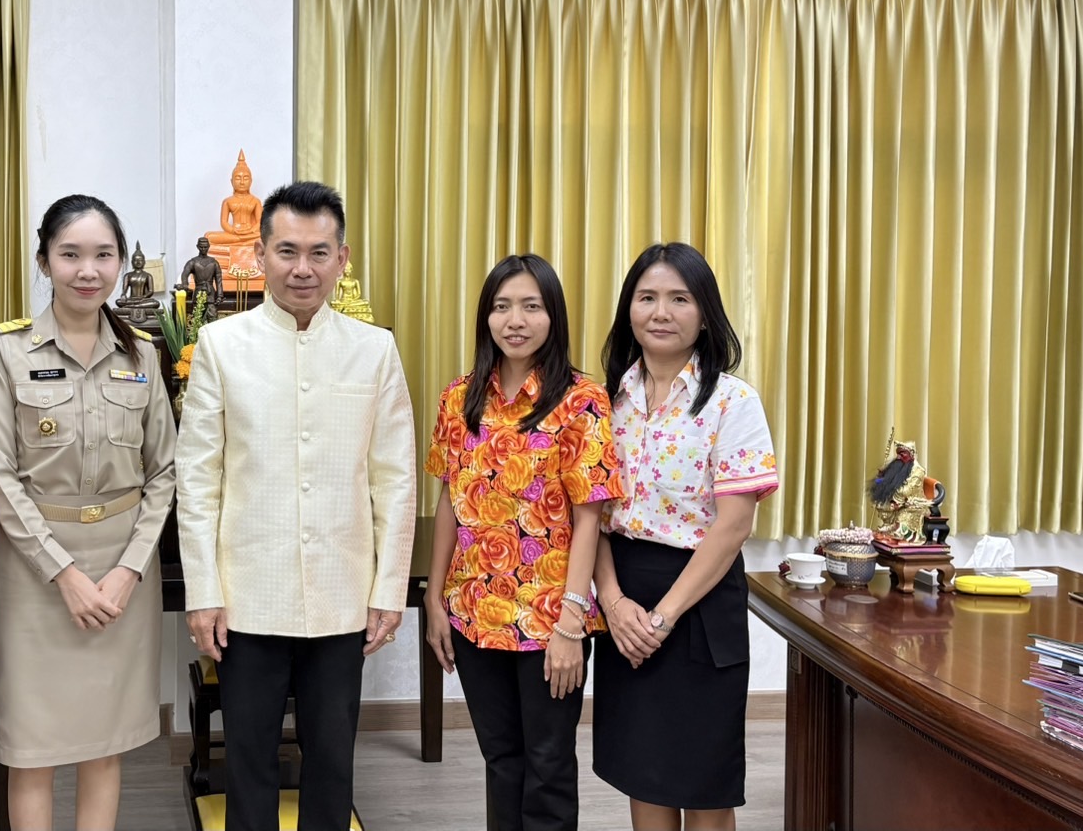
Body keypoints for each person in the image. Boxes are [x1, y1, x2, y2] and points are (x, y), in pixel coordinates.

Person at [177, 180, 417, 831]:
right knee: (248, 759)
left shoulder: (375, 350)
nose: (302, 268)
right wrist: (203, 591)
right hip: (246, 596)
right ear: (260, 255)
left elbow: (395, 478)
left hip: (342, 594)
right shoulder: (223, 347)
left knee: (333, 758)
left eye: (319, 252)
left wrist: (388, 589)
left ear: (343, 259)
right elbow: (198, 481)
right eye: (287, 251)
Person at [0, 194, 178, 831]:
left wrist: (128, 572)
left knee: (104, 744)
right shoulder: (5, 350)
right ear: (45, 261)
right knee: (32, 749)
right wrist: (63, 573)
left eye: (102, 255)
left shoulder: (142, 353)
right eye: (70, 255)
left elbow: (164, 472)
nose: (87, 270)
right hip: (36, 573)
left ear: (120, 263)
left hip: (122, 568)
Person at [423, 254, 622, 831]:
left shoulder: (582, 401)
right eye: (502, 306)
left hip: (548, 621)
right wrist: (435, 601)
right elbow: (448, 505)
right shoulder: (459, 400)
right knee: (501, 760)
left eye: (531, 306)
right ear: (486, 317)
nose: (516, 319)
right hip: (473, 611)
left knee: (549, 762)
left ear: (552, 315)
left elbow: (590, 520)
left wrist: (569, 626)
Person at [590, 243, 780, 831]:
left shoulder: (732, 401)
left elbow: (734, 526)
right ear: (629, 310)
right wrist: (615, 603)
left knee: (702, 782)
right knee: (643, 773)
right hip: (623, 595)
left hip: (698, 602)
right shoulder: (606, 401)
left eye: (680, 298)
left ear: (705, 313)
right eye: (647, 298)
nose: (661, 312)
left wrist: (662, 617)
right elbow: (590, 513)